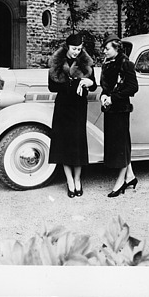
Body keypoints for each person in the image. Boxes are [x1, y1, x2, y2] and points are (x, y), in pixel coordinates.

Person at [48, 33, 96, 198]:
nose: (77, 52)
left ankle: (78, 180)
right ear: (67, 47)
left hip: (78, 107)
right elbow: (52, 87)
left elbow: (94, 85)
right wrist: (70, 83)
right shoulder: (57, 62)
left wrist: (89, 82)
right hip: (63, 108)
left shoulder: (85, 63)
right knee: (64, 144)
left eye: (79, 49)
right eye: (74, 49)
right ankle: (69, 181)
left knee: (77, 144)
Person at [100, 34, 139, 197]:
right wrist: (103, 95)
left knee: (121, 146)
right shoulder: (107, 64)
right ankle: (130, 177)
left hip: (121, 110)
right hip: (110, 110)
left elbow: (133, 88)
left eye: (107, 49)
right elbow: (106, 87)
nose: (104, 51)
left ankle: (120, 182)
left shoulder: (126, 64)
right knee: (116, 145)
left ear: (116, 48)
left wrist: (112, 98)